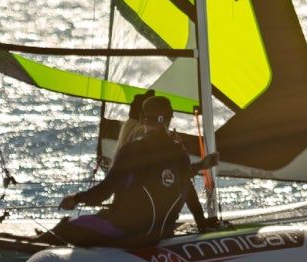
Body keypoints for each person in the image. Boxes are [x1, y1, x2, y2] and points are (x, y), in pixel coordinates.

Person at [44, 93, 209, 248]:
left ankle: (35, 247)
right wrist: (202, 223)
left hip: (128, 233)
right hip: (160, 233)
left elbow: (103, 193)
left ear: (142, 118)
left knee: (66, 226)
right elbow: (189, 192)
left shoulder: (132, 150)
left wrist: (75, 199)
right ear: (169, 119)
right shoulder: (180, 154)